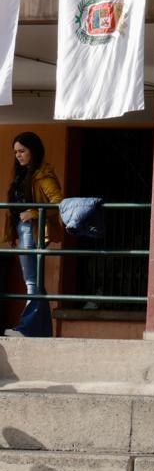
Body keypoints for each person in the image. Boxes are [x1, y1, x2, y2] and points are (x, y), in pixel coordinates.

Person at [4, 132, 63, 338]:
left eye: (22, 151)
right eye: (16, 152)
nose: (18, 156)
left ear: (33, 151)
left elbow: (59, 202)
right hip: (23, 230)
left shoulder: (42, 174)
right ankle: (41, 330)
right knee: (33, 280)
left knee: (32, 281)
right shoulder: (21, 175)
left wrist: (35, 212)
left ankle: (27, 329)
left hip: (33, 230)